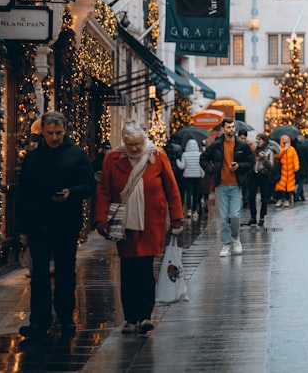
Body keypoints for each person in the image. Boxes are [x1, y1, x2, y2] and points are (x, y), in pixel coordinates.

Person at [94, 121, 183, 336]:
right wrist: (100, 219)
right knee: (128, 269)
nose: (135, 148)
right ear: (123, 142)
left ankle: (144, 316)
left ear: (145, 139)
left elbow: (172, 188)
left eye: (138, 143)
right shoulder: (112, 158)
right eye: (130, 144)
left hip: (151, 222)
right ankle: (130, 317)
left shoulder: (157, 156)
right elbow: (104, 189)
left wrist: (177, 218)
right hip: (124, 223)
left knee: (144, 268)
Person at [16, 111, 96, 339]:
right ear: (42, 131)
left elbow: (89, 185)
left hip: (66, 223)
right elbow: (24, 194)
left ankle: (65, 317)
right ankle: (39, 321)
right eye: (50, 133)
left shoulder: (76, 154)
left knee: (65, 272)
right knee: (39, 273)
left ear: (65, 130)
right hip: (39, 224)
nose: (54, 137)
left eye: (58, 132)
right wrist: (22, 228)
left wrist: (72, 193)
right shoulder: (32, 158)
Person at [200, 118, 253, 257]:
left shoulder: (242, 145)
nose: (231, 129)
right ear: (223, 129)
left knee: (235, 215)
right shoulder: (216, 145)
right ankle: (225, 244)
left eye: (232, 127)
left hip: (236, 185)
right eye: (228, 127)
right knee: (223, 217)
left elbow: (250, 161)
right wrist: (211, 170)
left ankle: (236, 238)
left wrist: (239, 166)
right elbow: (203, 158)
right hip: (221, 185)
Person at [246, 133, 277, 225]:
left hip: (264, 175)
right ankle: (253, 217)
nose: (258, 141)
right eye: (257, 139)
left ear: (264, 140)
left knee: (264, 197)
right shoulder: (253, 150)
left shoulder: (269, 151)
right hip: (253, 175)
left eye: (260, 139)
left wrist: (263, 158)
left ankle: (262, 217)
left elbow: (271, 166)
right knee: (251, 196)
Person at [178, 139, 204, 220]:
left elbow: (182, 166)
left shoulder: (185, 155)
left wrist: (177, 161)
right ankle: (194, 211)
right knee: (196, 193)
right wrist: (202, 174)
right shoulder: (200, 154)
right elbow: (201, 166)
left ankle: (189, 210)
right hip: (197, 176)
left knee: (188, 193)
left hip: (187, 176)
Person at [274, 134, 299, 207]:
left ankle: (287, 200)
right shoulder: (279, 148)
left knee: (289, 187)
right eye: (284, 140)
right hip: (281, 170)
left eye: (287, 140)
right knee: (280, 186)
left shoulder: (292, 149)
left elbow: (295, 159)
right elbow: (276, 156)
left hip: (290, 171)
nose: (285, 141)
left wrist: (296, 167)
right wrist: (284, 150)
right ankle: (279, 199)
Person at [295, 136, 308, 202]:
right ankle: (297, 194)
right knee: (302, 181)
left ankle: (302, 196)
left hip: (297, 166)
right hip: (304, 166)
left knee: (299, 180)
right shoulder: (305, 148)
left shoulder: (295, 147)